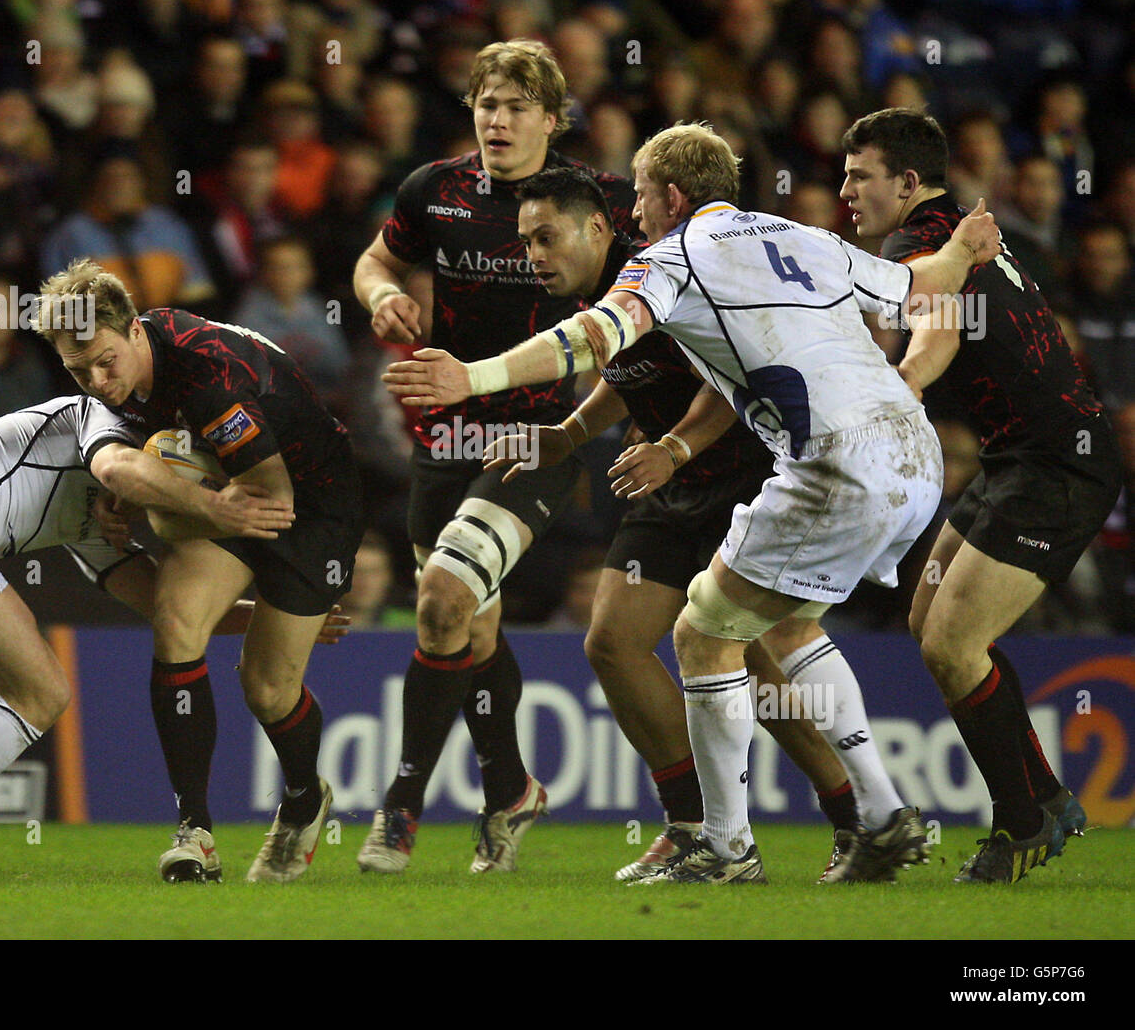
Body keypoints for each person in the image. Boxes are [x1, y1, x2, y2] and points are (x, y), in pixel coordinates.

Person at [383, 122, 1000, 884]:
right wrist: (967, 245)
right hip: (916, 454)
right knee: (779, 626)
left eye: (640, 196)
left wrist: (470, 379)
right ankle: (874, 814)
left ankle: (731, 844)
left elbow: (590, 339)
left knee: (706, 637)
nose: (634, 213)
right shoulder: (800, 233)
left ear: (671, 196)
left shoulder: (669, 258)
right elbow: (921, 285)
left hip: (829, 464)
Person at [491, 164, 925, 883]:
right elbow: (620, 373)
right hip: (665, 482)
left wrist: (674, 446)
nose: (534, 255)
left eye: (545, 237)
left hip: (738, 470)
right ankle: (693, 825)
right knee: (614, 641)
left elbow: (731, 379)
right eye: (525, 241)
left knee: (756, 656)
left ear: (597, 228)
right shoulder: (596, 288)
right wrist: (568, 434)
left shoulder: (667, 267)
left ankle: (851, 817)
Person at [350, 38, 635, 875]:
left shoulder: (600, 202)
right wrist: (385, 294)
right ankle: (509, 790)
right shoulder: (434, 192)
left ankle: (399, 807)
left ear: (552, 118)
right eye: (485, 104)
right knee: (467, 628)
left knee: (440, 597)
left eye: (515, 106)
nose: (496, 120)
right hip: (446, 433)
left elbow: (649, 299)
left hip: (543, 434)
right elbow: (375, 260)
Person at [0, 393, 293, 880]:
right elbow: (118, 467)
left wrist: (273, 615)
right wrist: (219, 506)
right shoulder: (94, 418)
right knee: (42, 694)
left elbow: (165, 606)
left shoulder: (98, 523)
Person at [840, 108, 1123, 882]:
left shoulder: (919, 241)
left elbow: (940, 334)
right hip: (1016, 459)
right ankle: (1046, 797)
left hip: (1057, 467)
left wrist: (898, 391)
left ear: (905, 181)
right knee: (930, 619)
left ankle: (1025, 817)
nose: (844, 190)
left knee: (952, 641)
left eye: (859, 175)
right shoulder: (954, 228)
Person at [36, 258, 364, 883]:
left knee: (266, 688)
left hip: (308, 504)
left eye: (106, 361)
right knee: (176, 620)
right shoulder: (127, 363)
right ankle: (196, 834)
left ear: (134, 330)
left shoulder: (208, 376)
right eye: (79, 372)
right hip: (228, 492)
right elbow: (178, 465)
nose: (99, 383)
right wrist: (136, 495)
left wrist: (155, 506)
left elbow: (265, 506)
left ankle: (302, 800)